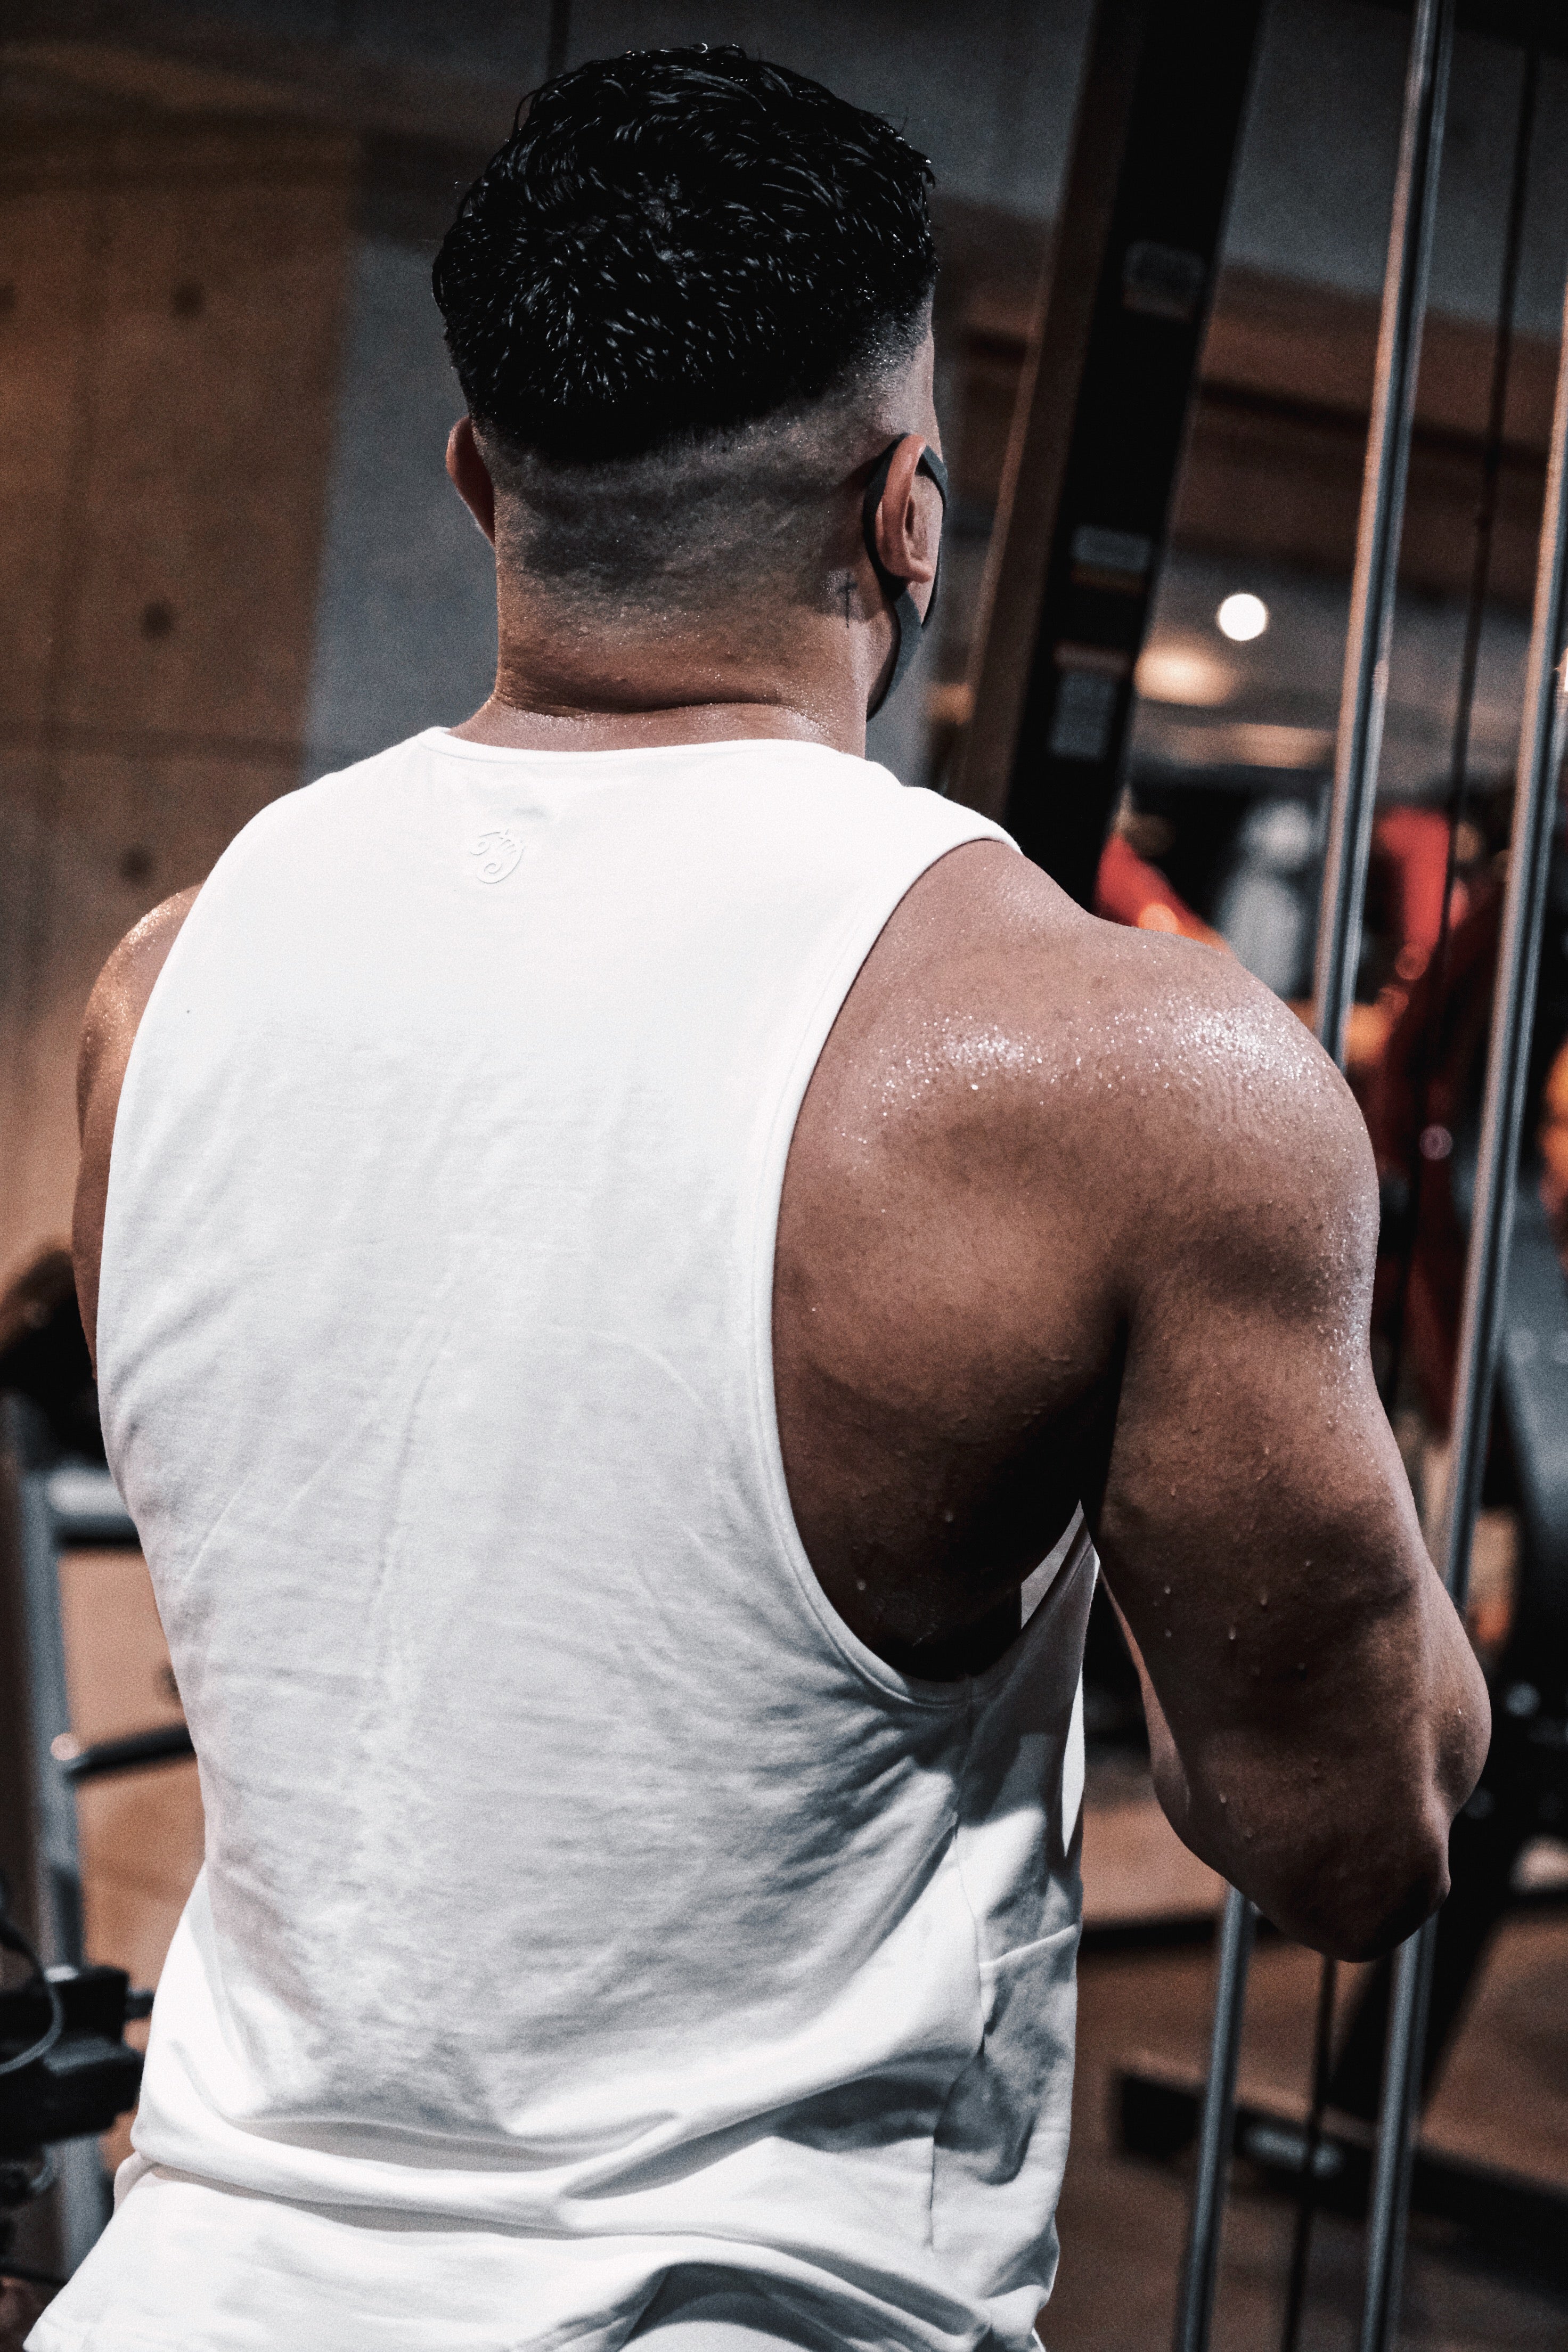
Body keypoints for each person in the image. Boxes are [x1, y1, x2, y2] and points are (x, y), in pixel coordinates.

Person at [39, 46, 1486, 2352]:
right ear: (909, 513)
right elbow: (1356, 1836)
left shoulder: (159, 994)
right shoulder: (1131, 1072)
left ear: (474, 479)